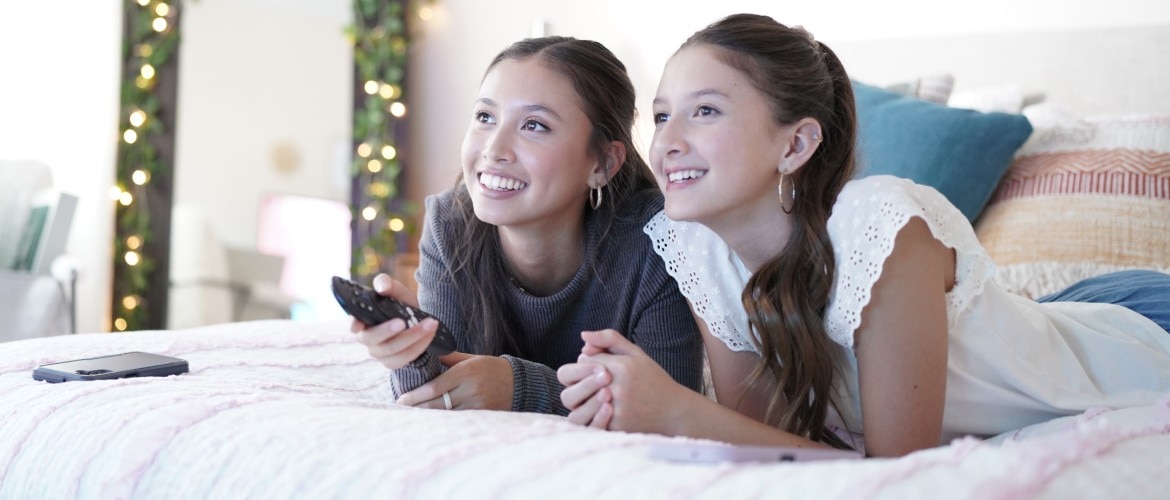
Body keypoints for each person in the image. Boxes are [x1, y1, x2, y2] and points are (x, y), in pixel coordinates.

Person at [557, 13, 1170, 457]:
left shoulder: (879, 224)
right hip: (1047, 326)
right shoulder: (695, 247)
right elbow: (777, 447)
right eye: (663, 115)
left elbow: (898, 472)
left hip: (1135, 331)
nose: (668, 140)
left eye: (706, 110)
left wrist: (679, 411)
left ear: (795, 144)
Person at [351, 36, 704, 416]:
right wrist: (412, 351)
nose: (493, 149)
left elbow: (670, 409)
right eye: (485, 117)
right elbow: (441, 394)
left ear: (602, 163)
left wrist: (520, 387)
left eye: (534, 125)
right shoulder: (449, 223)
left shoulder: (661, 239)